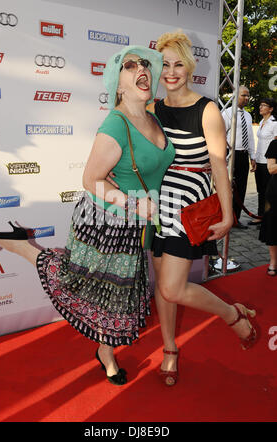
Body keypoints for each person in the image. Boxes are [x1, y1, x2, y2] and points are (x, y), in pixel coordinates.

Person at [0, 45, 176, 386]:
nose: (141, 69)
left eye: (145, 64)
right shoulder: (115, 125)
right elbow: (90, 180)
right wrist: (134, 203)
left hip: (135, 226)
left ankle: (104, 351)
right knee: (84, 287)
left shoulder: (151, 116)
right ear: (118, 85)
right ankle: (20, 245)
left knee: (114, 295)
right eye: (129, 66)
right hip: (106, 224)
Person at [109, 31, 258, 387]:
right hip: (156, 205)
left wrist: (227, 213)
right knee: (164, 286)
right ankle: (170, 349)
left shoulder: (207, 110)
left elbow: (220, 166)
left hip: (188, 204)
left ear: (189, 67)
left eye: (179, 64)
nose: (172, 73)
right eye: (166, 65)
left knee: (174, 288)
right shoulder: (151, 109)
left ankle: (231, 314)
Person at [221, 85, 256, 229]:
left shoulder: (248, 115)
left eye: (248, 96)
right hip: (231, 155)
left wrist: (252, 157)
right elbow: (221, 135)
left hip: (243, 155)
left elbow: (251, 138)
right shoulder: (227, 113)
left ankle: (237, 218)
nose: (247, 98)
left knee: (241, 188)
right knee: (228, 188)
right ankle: (226, 218)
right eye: (244, 95)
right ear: (235, 96)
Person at [250, 98, 277, 226]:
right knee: (260, 190)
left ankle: (268, 218)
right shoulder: (261, 122)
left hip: (269, 162)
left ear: (271, 109)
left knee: (268, 191)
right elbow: (259, 143)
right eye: (260, 105)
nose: (260, 107)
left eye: (264, 105)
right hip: (259, 160)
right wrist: (254, 158)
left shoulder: (274, 123)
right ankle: (260, 216)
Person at [259, 139, 277, 276]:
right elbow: (271, 168)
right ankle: (273, 262)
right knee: (273, 226)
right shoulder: (275, 144)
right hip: (275, 192)